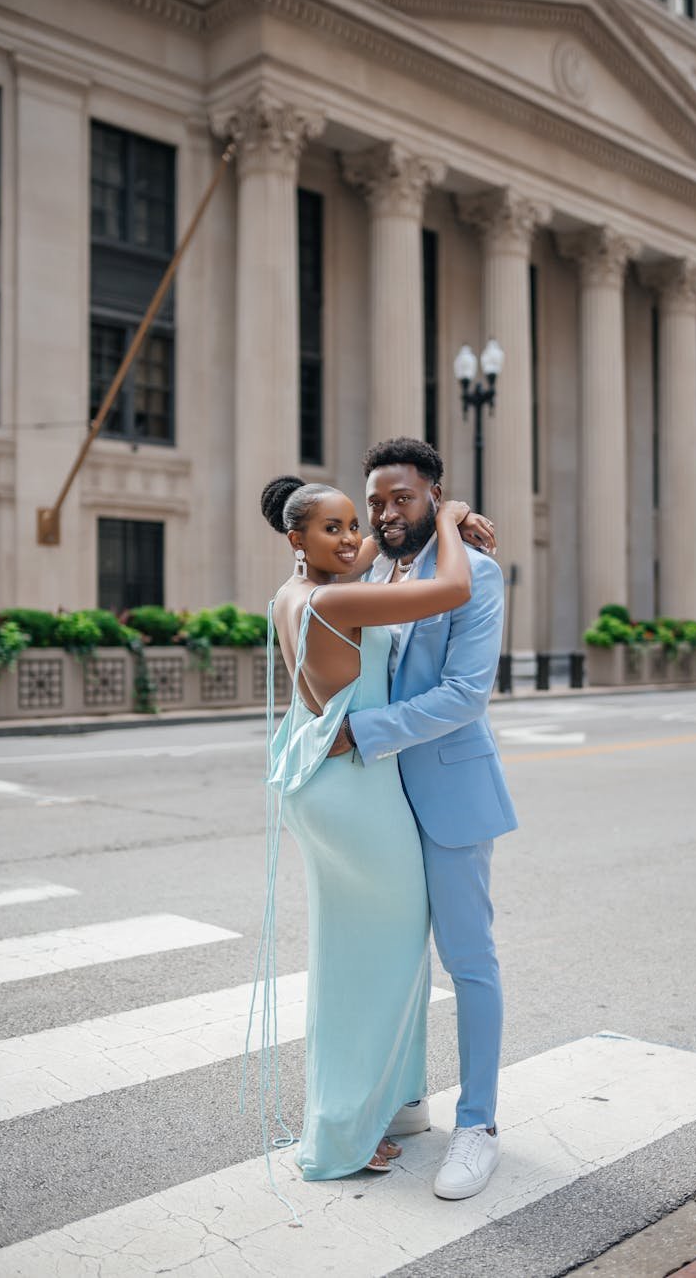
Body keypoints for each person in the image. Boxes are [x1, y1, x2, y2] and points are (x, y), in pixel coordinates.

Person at [258, 473, 476, 1181]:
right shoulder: (338, 597)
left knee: (349, 959)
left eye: (355, 524)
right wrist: (447, 518)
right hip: (354, 791)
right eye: (333, 528)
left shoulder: (289, 596)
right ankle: (345, 1134)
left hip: (316, 782)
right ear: (297, 539)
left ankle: (374, 1108)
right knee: (379, 963)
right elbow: (451, 590)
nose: (352, 537)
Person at [328, 437, 517, 1201]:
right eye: (375, 499)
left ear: (434, 493)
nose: (383, 511)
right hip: (377, 801)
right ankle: (406, 1099)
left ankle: (478, 1127)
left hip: (447, 794)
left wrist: (364, 734)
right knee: (391, 954)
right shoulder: (375, 567)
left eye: (401, 496)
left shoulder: (474, 570)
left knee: (466, 960)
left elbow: (467, 694)